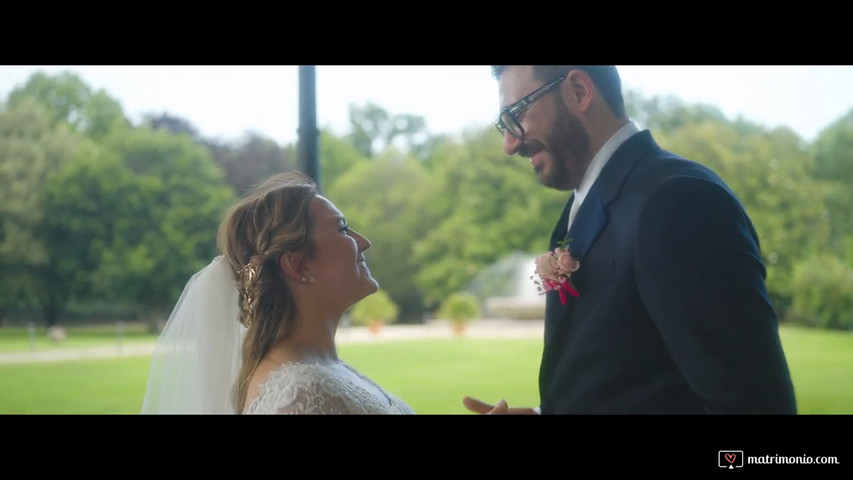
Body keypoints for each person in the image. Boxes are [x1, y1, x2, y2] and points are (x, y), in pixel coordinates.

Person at [464, 65, 797, 414]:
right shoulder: (583, 207)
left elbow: (752, 406)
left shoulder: (680, 202)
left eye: (516, 114)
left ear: (578, 91)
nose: (510, 143)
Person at [141, 171, 414, 414]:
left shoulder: (320, 372)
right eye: (342, 229)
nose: (364, 242)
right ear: (297, 265)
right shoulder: (302, 397)